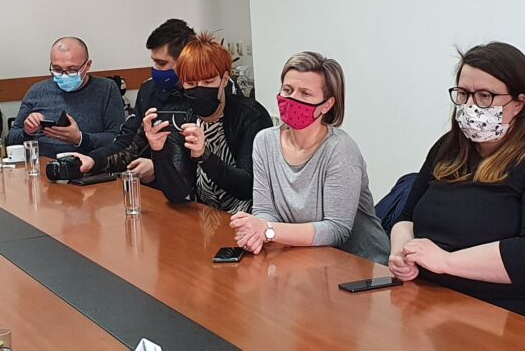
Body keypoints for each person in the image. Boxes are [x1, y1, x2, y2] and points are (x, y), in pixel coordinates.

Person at [388, 42, 525, 339]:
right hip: (435, 301)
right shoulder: (449, 147)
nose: (471, 105)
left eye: (485, 96)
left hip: (524, 317)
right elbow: (407, 217)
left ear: (519, 103)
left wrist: (445, 262)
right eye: (463, 94)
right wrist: (401, 252)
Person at [229, 52, 390, 264]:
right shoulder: (264, 141)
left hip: (359, 265)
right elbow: (265, 210)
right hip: (300, 257)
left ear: (326, 105)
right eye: (287, 90)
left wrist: (268, 231)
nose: (292, 98)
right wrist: (256, 233)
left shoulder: (340, 149)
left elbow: (336, 230)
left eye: (305, 93)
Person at [142, 31, 272, 212]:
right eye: (191, 84)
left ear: (224, 79)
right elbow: (178, 194)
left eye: (208, 82)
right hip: (204, 216)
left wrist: (204, 155)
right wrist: (159, 153)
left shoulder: (250, 115)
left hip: (249, 217)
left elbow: (246, 187)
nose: (200, 89)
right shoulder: (184, 118)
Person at [70, 19, 197, 182]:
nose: (155, 69)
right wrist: (94, 160)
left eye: (161, 63)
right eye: (154, 61)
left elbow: (211, 157)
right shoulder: (149, 90)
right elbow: (127, 142)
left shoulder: (206, 93)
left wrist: (160, 167)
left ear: (186, 61)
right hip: (152, 187)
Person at [6, 37, 125, 158]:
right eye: (57, 69)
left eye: (72, 70)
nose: (64, 75)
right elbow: (10, 139)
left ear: (87, 65)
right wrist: (27, 132)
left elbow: (119, 139)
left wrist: (80, 138)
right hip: (42, 163)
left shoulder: (106, 89)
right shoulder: (37, 91)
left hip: (88, 163)